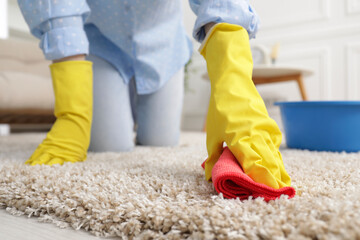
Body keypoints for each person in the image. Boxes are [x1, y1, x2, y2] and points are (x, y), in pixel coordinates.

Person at [18, 0, 292, 189]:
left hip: (162, 44)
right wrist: (72, 114)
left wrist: (235, 88)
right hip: (100, 44)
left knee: (160, 141)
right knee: (109, 146)